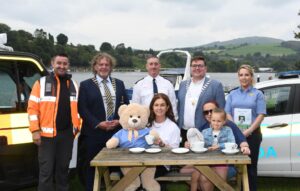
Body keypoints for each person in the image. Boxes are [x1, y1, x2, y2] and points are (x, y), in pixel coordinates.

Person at [27, 53, 81, 191]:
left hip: (67, 136)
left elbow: (79, 110)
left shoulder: (74, 85)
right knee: (46, 172)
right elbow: (32, 109)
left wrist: (76, 129)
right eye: (59, 63)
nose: (62, 66)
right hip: (46, 137)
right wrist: (35, 130)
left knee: (63, 171)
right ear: (52, 64)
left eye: (65, 63)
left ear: (68, 65)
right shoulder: (41, 83)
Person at [78, 53, 129, 191]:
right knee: (92, 167)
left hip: (116, 133)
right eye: (100, 64)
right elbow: (83, 109)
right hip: (94, 133)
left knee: (118, 167)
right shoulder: (85, 85)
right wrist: (98, 123)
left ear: (111, 67)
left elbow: (126, 107)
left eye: (107, 64)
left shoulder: (119, 84)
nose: (104, 67)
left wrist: (120, 121)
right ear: (95, 66)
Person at [181, 101, 250, 191]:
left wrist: (245, 147)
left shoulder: (229, 126)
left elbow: (241, 140)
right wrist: (189, 143)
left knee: (203, 178)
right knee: (188, 172)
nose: (209, 114)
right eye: (206, 112)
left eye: (211, 110)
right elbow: (198, 141)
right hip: (207, 162)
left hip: (225, 163)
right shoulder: (204, 129)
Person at [225, 64, 266, 191]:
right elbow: (227, 113)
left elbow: (261, 115)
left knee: (251, 167)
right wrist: (237, 130)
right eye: (241, 75)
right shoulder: (232, 94)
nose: (244, 78)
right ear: (238, 77)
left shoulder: (258, 94)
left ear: (251, 77)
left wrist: (248, 131)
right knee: (235, 165)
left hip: (252, 135)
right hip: (235, 135)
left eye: (247, 75)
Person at [177, 56, 225, 144]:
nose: (197, 68)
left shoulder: (215, 85)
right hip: (183, 131)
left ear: (205, 68)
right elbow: (179, 107)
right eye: (194, 66)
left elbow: (221, 110)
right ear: (190, 68)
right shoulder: (183, 85)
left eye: (200, 66)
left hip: (205, 132)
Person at [147, 93, 181, 190]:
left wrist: (162, 144)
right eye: (156, 105)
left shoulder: (173, 127)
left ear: (167, 107)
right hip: (145, 161)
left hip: (162, 164)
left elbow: (175, 152)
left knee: (143, 173)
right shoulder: (147, 125)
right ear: (152, 107)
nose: (159, 108)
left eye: (162, 105)